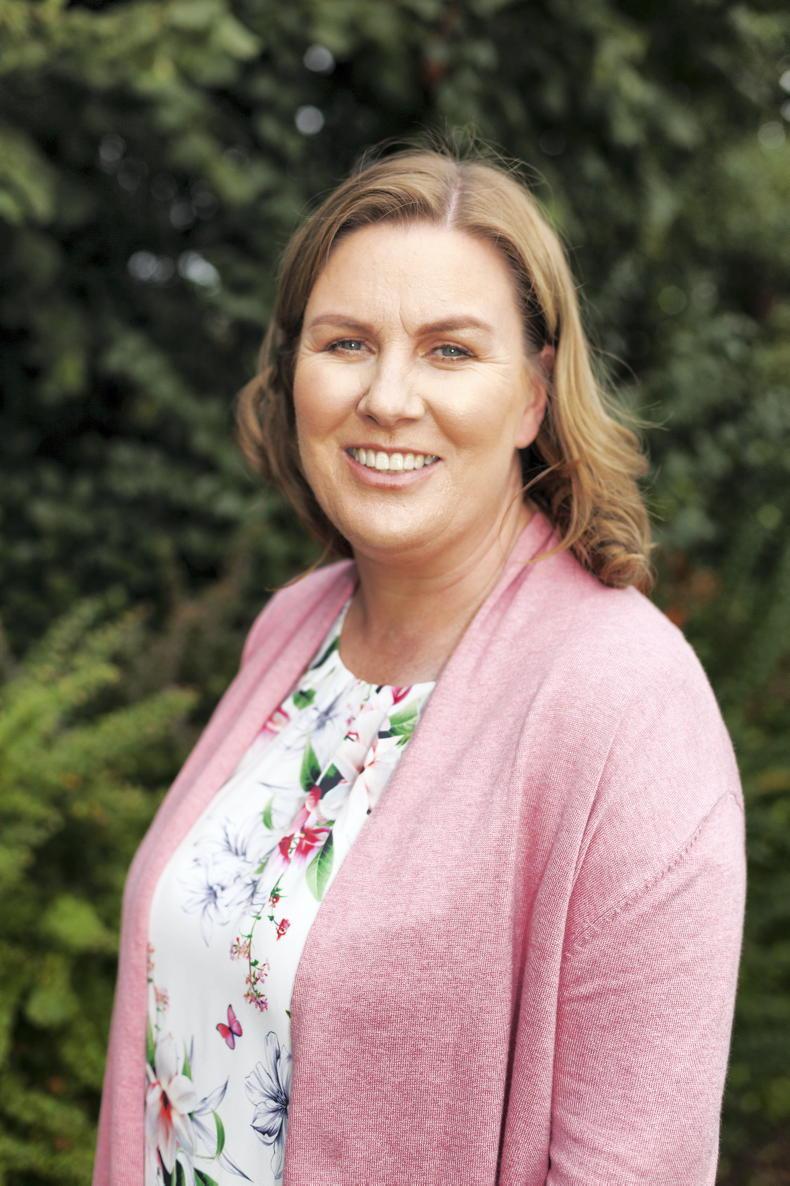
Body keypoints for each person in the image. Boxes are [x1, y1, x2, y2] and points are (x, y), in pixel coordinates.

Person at [93, 139, 746, 1186]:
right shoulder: (293, 629)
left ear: (533, 395)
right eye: (347, 342)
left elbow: (637, 1163)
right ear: (294, 371)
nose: (388, 397)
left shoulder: (629, 703)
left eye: (449, 351)